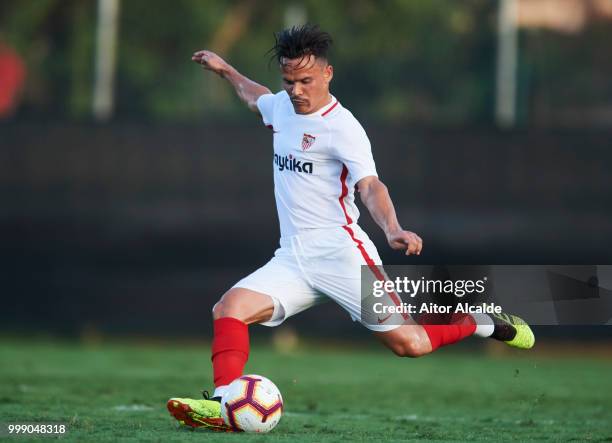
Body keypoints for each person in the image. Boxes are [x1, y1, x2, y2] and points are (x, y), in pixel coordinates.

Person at [167, 24, 534, 431]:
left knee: (409, 345)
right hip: (292, 257)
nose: (297, 90)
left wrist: (392, 228)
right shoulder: (283, 107)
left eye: (306, 80)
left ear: (328, 74)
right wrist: (225, 70)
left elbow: (371, 186)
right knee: (229, 308)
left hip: (343, 256)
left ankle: (480, 322)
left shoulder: (343, 127)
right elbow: (255, 97)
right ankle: (222, 405)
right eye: (289, 81)